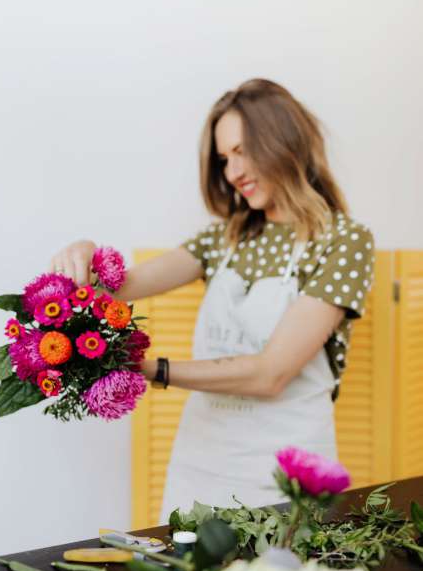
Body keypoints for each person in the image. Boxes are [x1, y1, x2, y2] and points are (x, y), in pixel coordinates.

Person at [49, 78, 375, 523]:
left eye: (242, 151)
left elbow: (270, 374)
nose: (233, 172)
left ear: (284, 140)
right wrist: (85, 254)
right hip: (200, 468)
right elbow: (120, 286)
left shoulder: (342, 242)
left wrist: (147, 368)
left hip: (284, 479)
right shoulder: (224, 237)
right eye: (224, 159)